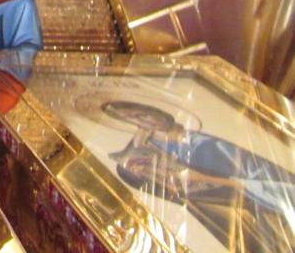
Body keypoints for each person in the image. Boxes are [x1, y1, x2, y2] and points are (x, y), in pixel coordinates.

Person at [105, 100, 295, 252]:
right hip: (234, 200)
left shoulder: (200, 137)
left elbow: (247, 167)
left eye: (143, 114)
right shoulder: (151, 148)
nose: (145, 120)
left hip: (257, 187)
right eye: (134, 119)